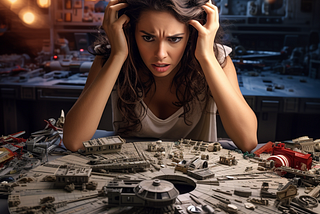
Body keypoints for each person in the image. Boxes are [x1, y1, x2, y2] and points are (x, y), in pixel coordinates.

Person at [63, 0, 258, 152]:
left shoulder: (216, 60)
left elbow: (248, 141)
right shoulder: (111, 58)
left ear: (192, 35)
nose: (160, 54)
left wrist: (206, 57)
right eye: (148, 37)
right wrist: (118, 55)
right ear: (130, 32)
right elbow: (73, 141)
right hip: (131, 179)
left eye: (174, 39)